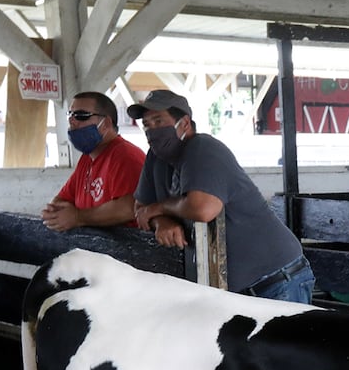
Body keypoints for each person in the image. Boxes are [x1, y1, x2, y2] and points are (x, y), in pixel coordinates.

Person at [129, 89, 315, 304]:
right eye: (147, 125)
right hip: (235, 291)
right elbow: (141, 206)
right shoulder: (156, 157)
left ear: (185, 123)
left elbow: (203, 208)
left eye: (159, 121)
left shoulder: (203, 148)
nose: (152, 131)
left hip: (276, 281)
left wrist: (158, 209)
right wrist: (161, 220)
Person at [40, 91, 145, 232]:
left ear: (106, 123)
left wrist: (78, 217)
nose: (72, 121)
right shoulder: (87, 158)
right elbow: (61, 201)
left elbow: (130, 207)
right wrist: (56, 215)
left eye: (81, 116)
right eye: (70, 115)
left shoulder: (125, 155)